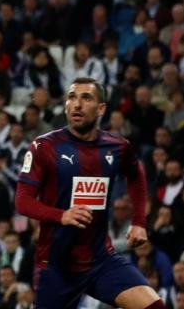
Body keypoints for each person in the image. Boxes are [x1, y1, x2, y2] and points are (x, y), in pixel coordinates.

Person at [15, 77, 164, 308]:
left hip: (101, 260)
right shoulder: (44, 146)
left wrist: (139, 222)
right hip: (56, 266)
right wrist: (61, 215)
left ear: (101, 108)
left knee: (154, 306)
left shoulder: (117, 146)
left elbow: (136, 174)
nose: (77, 104)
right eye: (72, 97)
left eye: (86, 98)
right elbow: (22, 201)